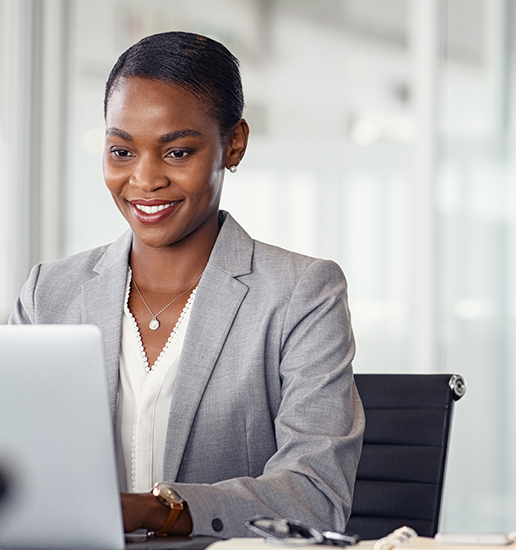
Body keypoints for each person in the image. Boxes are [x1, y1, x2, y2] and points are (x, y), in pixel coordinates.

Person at [9, 31, 364, 539]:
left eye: (177, 153)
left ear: (234, 143)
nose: (145, 180)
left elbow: (315, 495)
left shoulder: (301, 294)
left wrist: (156, 510)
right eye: (121, 151)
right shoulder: (50, 293)